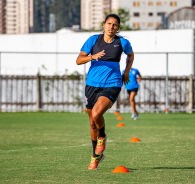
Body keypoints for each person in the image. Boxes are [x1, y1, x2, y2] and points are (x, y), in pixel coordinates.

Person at [76, 14, 134, 170]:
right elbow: (78, 60)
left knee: (96, 114)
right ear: (104, 25)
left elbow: (130, 55)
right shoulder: (93, 40)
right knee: (92, 123)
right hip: (91, 84)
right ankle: (96, 156)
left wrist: (127, 71)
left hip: (112, 84)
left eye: (115, 25)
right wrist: (92, 56)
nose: (111, 27)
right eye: (109, 23)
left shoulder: (122, 42)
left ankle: (102, 137)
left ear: (118, 27)